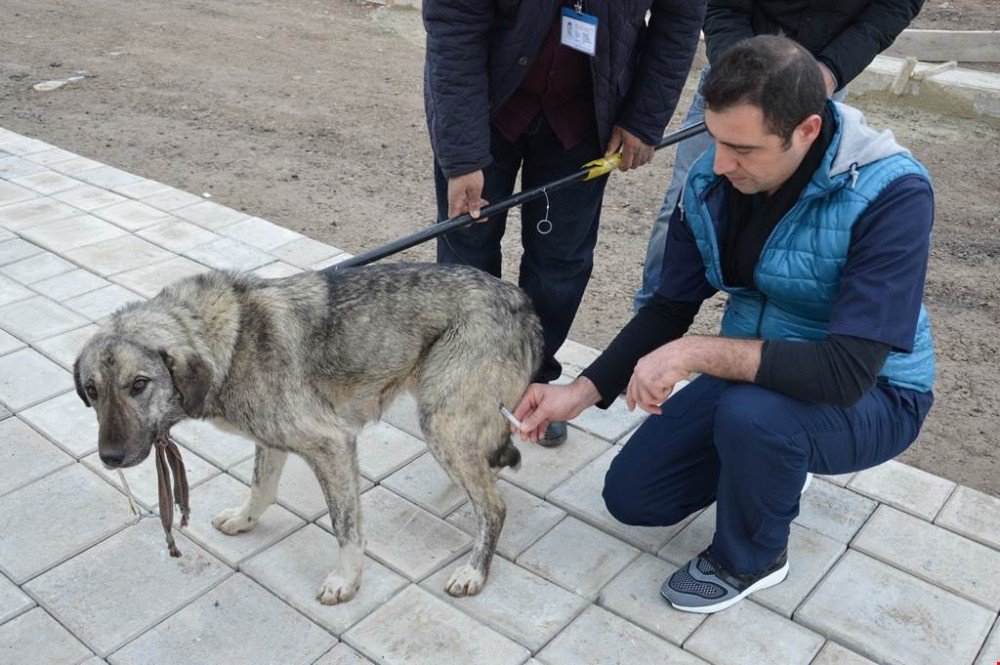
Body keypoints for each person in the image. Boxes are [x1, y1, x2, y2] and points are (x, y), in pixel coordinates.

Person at [513, 35, 935, 613]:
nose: (719, 163)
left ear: (806, 130)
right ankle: (778, 465)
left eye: (742, 148)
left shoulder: (891, 194)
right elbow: (669, 307)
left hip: (878, 393)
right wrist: (580, 393)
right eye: (714, 139)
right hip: (762, 377)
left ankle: (753, 558)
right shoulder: (712, 183)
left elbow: (845, 374)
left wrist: (695, 354)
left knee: (754, 418)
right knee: (635, 497)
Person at [423, 0, 706, 446]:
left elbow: (681, 18)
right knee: (467, 255)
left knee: (560, 260)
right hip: (486, 101)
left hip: (585, 112)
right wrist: (462, 156)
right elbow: (453, 21)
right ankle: (469, 382)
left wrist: (644, 117)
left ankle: (533, 382)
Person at [633, 0, 926, 311]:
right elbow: (721, 6)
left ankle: (755, 327)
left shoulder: (899, 194)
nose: (721, 163)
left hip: (819, 77)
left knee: (788, 223)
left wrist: (830, 69)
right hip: (736, 70)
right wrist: (739, 72)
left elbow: (893, 7)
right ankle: (652, 311)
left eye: (740, 148)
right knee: (683, 202)